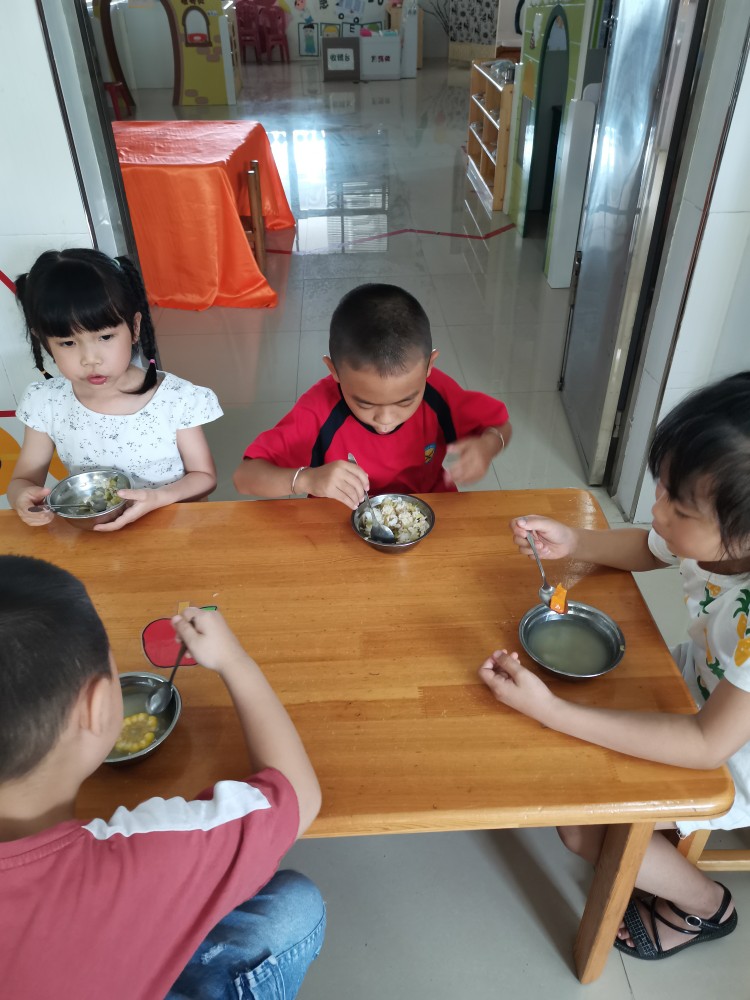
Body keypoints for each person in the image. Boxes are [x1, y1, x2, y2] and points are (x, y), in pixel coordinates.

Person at [478, 371, 750, 961]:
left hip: (732, 754)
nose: (656, 509)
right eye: (662, 488)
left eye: (677, 507)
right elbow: (652, 546)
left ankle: (706, 906)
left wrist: (553, 712)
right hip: (695, 688)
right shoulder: (722, 540)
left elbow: (707, 745)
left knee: (581, 824)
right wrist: (574, 542)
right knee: (573, 778)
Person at [0, 555, 325, 999]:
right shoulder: (143, 858)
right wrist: (234, 661)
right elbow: (298, 794)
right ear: (96, 707)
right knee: (298, 904)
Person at [234, 283, 512, 508]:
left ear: (429, 366)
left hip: (430, 512)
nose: (385, 420)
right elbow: (244, 477)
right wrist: (306, 479)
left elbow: (500, 426)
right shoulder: (319, 409)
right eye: (365, 403)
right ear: (334, 371)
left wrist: (487, 446)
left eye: (406, 401)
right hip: (337, 521)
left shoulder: (438, 392)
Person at [9, 248, 222, 532]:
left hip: (174, 530)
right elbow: (23, 480)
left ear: (134, 327)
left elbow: (204, 477)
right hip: (96, 535)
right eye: (68, 343)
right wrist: (21, 497)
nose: (90, 359)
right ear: (44, 341)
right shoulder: (45, 402)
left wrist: (159, 497)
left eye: (106, 337)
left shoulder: (176, 398)